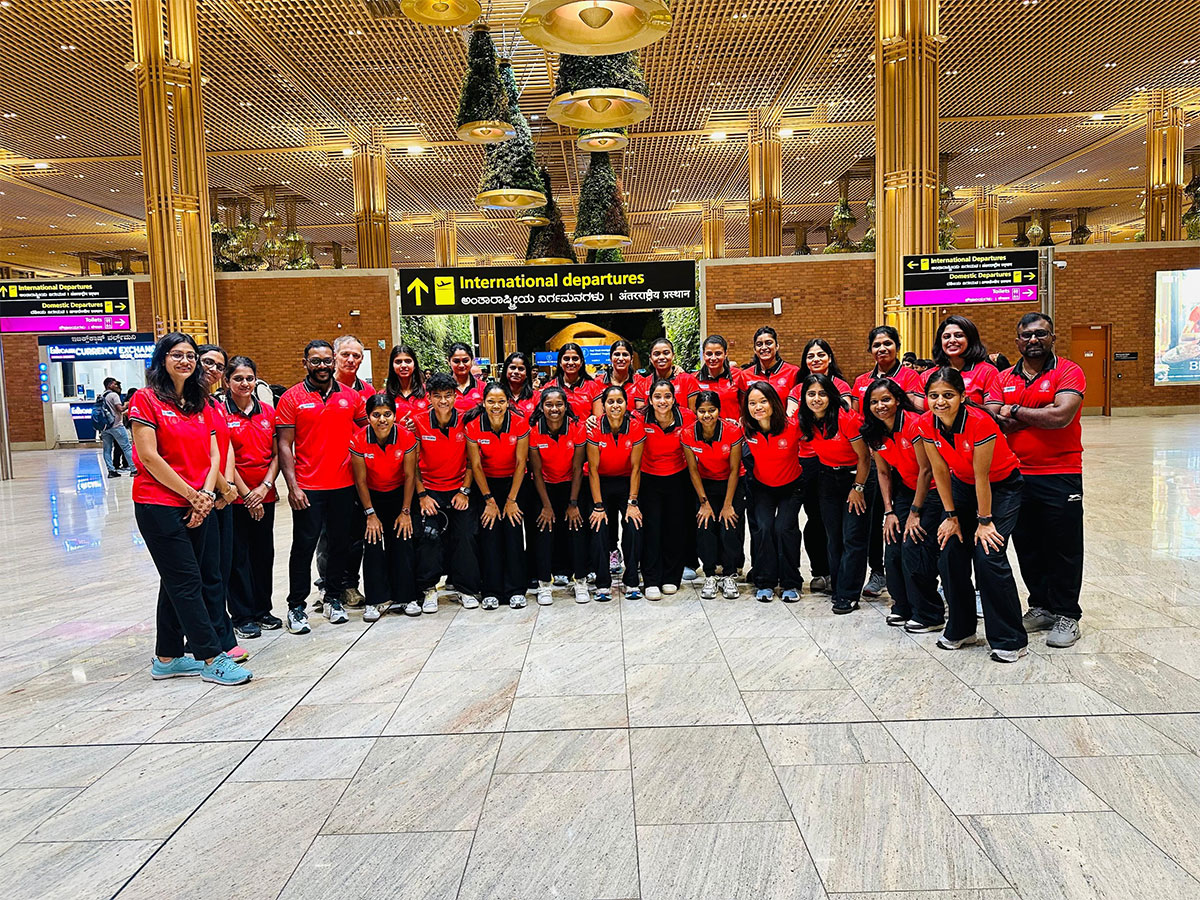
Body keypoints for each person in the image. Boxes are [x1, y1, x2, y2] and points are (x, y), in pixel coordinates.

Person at [129, 333, 251, 686]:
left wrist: (205, 495)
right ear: (162, 359)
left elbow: (214, 453)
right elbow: (149, 456)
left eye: (190, 355)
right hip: (159, 503)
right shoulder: (146, 400)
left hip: (199, 500)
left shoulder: (199, 402)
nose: (185, 361)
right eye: (176, 355)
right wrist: (191, 494)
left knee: (178, 580)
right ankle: (212, 658)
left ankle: (167, 658)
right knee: (187, 582)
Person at [990, 312, 1086, 649]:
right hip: (1015, 475)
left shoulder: (1069, 370)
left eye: (1040, 334)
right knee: (1027, 546)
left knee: (1063, 547)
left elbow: (1061, 416)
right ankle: (1041, 606)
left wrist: (1014, 411)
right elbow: (992, 417)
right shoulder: (1003, 377)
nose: (1033, 340)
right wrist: (1037, 412)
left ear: (1052, 338)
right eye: (1026, 335)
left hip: (1061, 473)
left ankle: (1066, 614)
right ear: (1017, 341)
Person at [920, 366, 1028, 663]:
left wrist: (984, 521)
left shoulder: (980, 422)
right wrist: (951, 516)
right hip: (962, 486)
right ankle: (962, 627)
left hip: (1002, 486)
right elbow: (940, 471)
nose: (940, 402)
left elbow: (984, 476)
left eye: (948, 395)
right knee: (949, 548)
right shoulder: (926, 424)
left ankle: (1011, 638)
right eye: (933, 396)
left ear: (963, 396)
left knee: (988, 553)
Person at [276, 339, 368, 634]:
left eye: (327, 361)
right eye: (315, 361)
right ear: (305, 363)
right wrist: (293, 486)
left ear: (333, 362)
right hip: (308, 487)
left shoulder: (352, 397)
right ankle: (296, 607)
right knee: (303, 547)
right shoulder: (291, 398)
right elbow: (285, 445)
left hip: (344, 486)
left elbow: (369, 430)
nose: (322, 366)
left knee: (340, 545)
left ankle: (333, 598)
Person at [860, 378, 945, 632]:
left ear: (897, 399)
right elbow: (883, 473)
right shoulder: (874, 432)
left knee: (913, 545)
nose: (880, 406)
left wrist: (914, 513)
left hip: (934, 491)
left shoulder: (914, 424)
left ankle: (930, 613)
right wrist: (889, 511)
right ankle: (902, 606)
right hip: (906, 490)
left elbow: (927, 470)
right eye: (874, 402)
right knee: (893, 545)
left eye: (885, 399)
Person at [852, 325, 927, 601]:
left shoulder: (911, 376)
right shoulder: (861, 381)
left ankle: (923, 582)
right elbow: (861, 417)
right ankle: (879, 571)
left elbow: (918, 410)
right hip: (878, 453)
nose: (881, 349)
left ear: (897, 345)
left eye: (887, 343)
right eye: (876, 345)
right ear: (870, 349)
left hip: (908, 451)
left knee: (913, 525)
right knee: (879, 519)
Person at [798, 374, 870, 614]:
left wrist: (858, 488)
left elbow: (865, 457)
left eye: (822, 393)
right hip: (827, 478)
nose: (816, 399)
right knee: (833, 537)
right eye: (811, 394)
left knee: (853, 537)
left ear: (831, 395)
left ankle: (849, 594)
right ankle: (839, 586)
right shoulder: (806, 420)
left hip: (854, 479)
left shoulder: (846, 418)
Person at [786, 338, 852, 594]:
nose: (815, 359)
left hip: (837, 462)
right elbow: (795, 420)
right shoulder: (797, 388)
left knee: (834, 521)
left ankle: (841, 573)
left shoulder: (842, 385)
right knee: (814, 518)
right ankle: (820, 571)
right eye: (810, 355)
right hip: (806, 460)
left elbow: (845, 418)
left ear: (829, 358)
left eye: (820, 355)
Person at [413, 373, 482, 613]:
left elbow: (473, 462)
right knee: (429, 538)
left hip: (459, 489)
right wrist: (422, 496)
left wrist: (464, 491)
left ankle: (465, 589)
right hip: (430, 491)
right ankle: (429, 589)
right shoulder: (418, 422)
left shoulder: (466, 421)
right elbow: (411, 465)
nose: (443, 401)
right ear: (429, 398)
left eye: (448, 396)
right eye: (437, 396)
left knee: (465, 537)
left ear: (455, 396)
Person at [224, 356, 282, 641]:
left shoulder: (268, 412)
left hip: (265, 493)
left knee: (263, 554)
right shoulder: (220, 413)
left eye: (249, 378)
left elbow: (276, 455)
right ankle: (243, 615)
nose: (244, 384)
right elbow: (224, 458)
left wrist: (265, 488)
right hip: (235, 497)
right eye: (238, 378)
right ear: (227, 381)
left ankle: (262, 610)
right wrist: (248, 495)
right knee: (239, 557)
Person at [197, 344, 246, 661]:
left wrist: (227, 488)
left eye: (218, 366)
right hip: (200, 497)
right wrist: (217, 489)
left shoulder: (213, 405)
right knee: (203, 574)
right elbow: (200, 453)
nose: (212, 369)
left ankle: (216, 633)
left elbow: (223, 448)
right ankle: (212, 638)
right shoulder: (185, 405)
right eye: (207, 362)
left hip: (221, 497)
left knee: (220, 570)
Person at [350, 393, 418, 621]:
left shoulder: (406, 437)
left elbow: (410, 476)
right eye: (376, 415)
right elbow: (360, 481)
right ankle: (376, 600)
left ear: (395, 416)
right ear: (368, 417)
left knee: (403, 542)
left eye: (387, 414)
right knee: (373, 544)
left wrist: (406, 511)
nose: (382, 420)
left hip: (400, 496)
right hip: (372, 498)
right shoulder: (359, 439)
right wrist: (370, 514)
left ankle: (407, 597)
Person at [465, 382, 531, 610]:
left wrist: (512, 500)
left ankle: (515, 590)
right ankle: (491, 590)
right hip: (486, 486)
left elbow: (522, 462)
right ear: (483, 403)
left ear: (508, 403)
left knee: (513, 534)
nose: (496, 406)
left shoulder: (520, 424)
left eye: (501, 401)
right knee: (489, 535)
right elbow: (475, 465)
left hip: (514, 484)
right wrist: (489, 500)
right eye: (491, 401)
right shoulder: (473, 427)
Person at [321, 334, 374, 608]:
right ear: (334, 356)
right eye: (345, 355)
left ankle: (349, 585)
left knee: (355, 534)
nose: (351, 360)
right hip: (325, 476)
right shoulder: (319, 390)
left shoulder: (368, 394)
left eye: (356, 356)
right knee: (327, 536)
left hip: (359, 476)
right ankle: (327, 586)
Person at [740, 381, 804, 602]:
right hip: (762, 487)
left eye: (763, 401)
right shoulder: (746, 428)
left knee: (784, 528)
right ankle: (765, 581)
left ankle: (791, 582)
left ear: (774, 403)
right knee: (765, 528)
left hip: (791, 486)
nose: (758, 407)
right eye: (752, 403)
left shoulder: (792, 426)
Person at [528, 386, 590, 604]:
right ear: (542, 406)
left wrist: (573, 503)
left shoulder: (577, 428)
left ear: (566, 406)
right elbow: (535, 471)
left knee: (576, 530)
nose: (554, 409)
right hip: (544, 487)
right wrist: (546, 506)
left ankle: (580, 581)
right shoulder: (534, 429)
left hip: (571, 486)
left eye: (559, 404)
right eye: (549, 404)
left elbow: (577, 469)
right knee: (544, 531)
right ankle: (544, 584)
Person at [682, 389, 744, 599]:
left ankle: (729, 574)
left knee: (729, 526)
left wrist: (728, 505)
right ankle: (710, 574)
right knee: (705, 525)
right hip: (705, 484)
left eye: (711, 410)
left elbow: (735, 469)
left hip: (730, 483)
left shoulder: (732, 431)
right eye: (701, 411)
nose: (707, 415)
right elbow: (692, 469)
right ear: (695, 412)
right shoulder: (688, 433)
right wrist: (704, 503)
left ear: (719, 410)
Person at [587, 385, 645, 601]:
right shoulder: (594, 428)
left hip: (626, 481)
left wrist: (633, 502)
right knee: (599, 526)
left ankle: (631, 581)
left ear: (626, 404)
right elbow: (592, 469)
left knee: (633, 525)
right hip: (600, 482)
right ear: (603, 405)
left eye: (619, 401)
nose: (615, 405)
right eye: (610, 401)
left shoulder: (636, 427)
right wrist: (598, 506)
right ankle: (603, 584)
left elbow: (636, 468)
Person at [637, 378, 694, 598]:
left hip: (678, 478)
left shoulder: (686, 417)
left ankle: (671, 576)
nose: (663, 401)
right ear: (650, 400)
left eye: (667, 396)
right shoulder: (639, 419)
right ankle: (651, 578)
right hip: (649, 479)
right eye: (658, 397)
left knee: (675, 529)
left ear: (674, 399)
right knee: (651, 530)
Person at [933, 315, 1001, 406]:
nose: (952, 340)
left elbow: (992, 412)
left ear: (970, 339)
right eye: (946, 337)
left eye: (959, 335)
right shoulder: (928, 375)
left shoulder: (987, 372)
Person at [633, 338, 700, 411]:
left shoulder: (688, 380)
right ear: (651, 359)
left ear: (673, 356)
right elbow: (641, 416)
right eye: (656, 354)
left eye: (666, 353)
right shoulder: (642, 385)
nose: (661, 357)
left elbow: (693, 414)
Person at [737, 326, 800, 397]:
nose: (764, 348)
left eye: (768, 343)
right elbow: (744, 405)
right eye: (759, 344)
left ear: (777, 346)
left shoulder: (793, 372)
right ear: (754, 349)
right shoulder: (745, 375)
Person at [547, 342, 603, 419]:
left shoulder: (592, 386)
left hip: (586, 430)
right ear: (560, 362)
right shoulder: (550, 387)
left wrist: (593, 419)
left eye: (575, 359)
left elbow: (598, 418)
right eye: (566, 359)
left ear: (581, 362)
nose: (570, 362)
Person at [695, 335, 743, 419]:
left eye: (718, 353)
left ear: (725, 354)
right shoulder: (694, 379)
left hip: (733, 430)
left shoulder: (739, 375)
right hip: (706, 430)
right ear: (703, 355)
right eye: (709, 354)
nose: (713, 358)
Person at [98, 377, 137, 478]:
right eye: (115, 384)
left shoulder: (101, 396)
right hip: (116, 425)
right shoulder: (113, 395)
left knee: (107, 449)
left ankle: (111, 471)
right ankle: (134, 469)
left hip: (105, 427)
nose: (117, 386)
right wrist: (127, 404)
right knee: (126, 447)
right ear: (110, 385)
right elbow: (120, 409)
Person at [384, 344, 428, 429]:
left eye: (408, 361)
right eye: (398, 362)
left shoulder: (428, 393)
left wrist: (418, 424)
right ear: (392, 366)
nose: (403, 366)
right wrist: (399, 426)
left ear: (414, 365)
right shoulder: (384, 395)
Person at [448, 342, 486, 412]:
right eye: (456, 361)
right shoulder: (441, 388)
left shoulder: (483, 387)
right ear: (449, 362)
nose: (461, 365)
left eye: (465, 361)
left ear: (471, 361)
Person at [500, 350, 539, 418]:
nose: (516, 372)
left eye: (521, 369)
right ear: (506, 370)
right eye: (512, 368)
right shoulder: (497, 396)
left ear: (527, 374)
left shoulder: (536, 397)